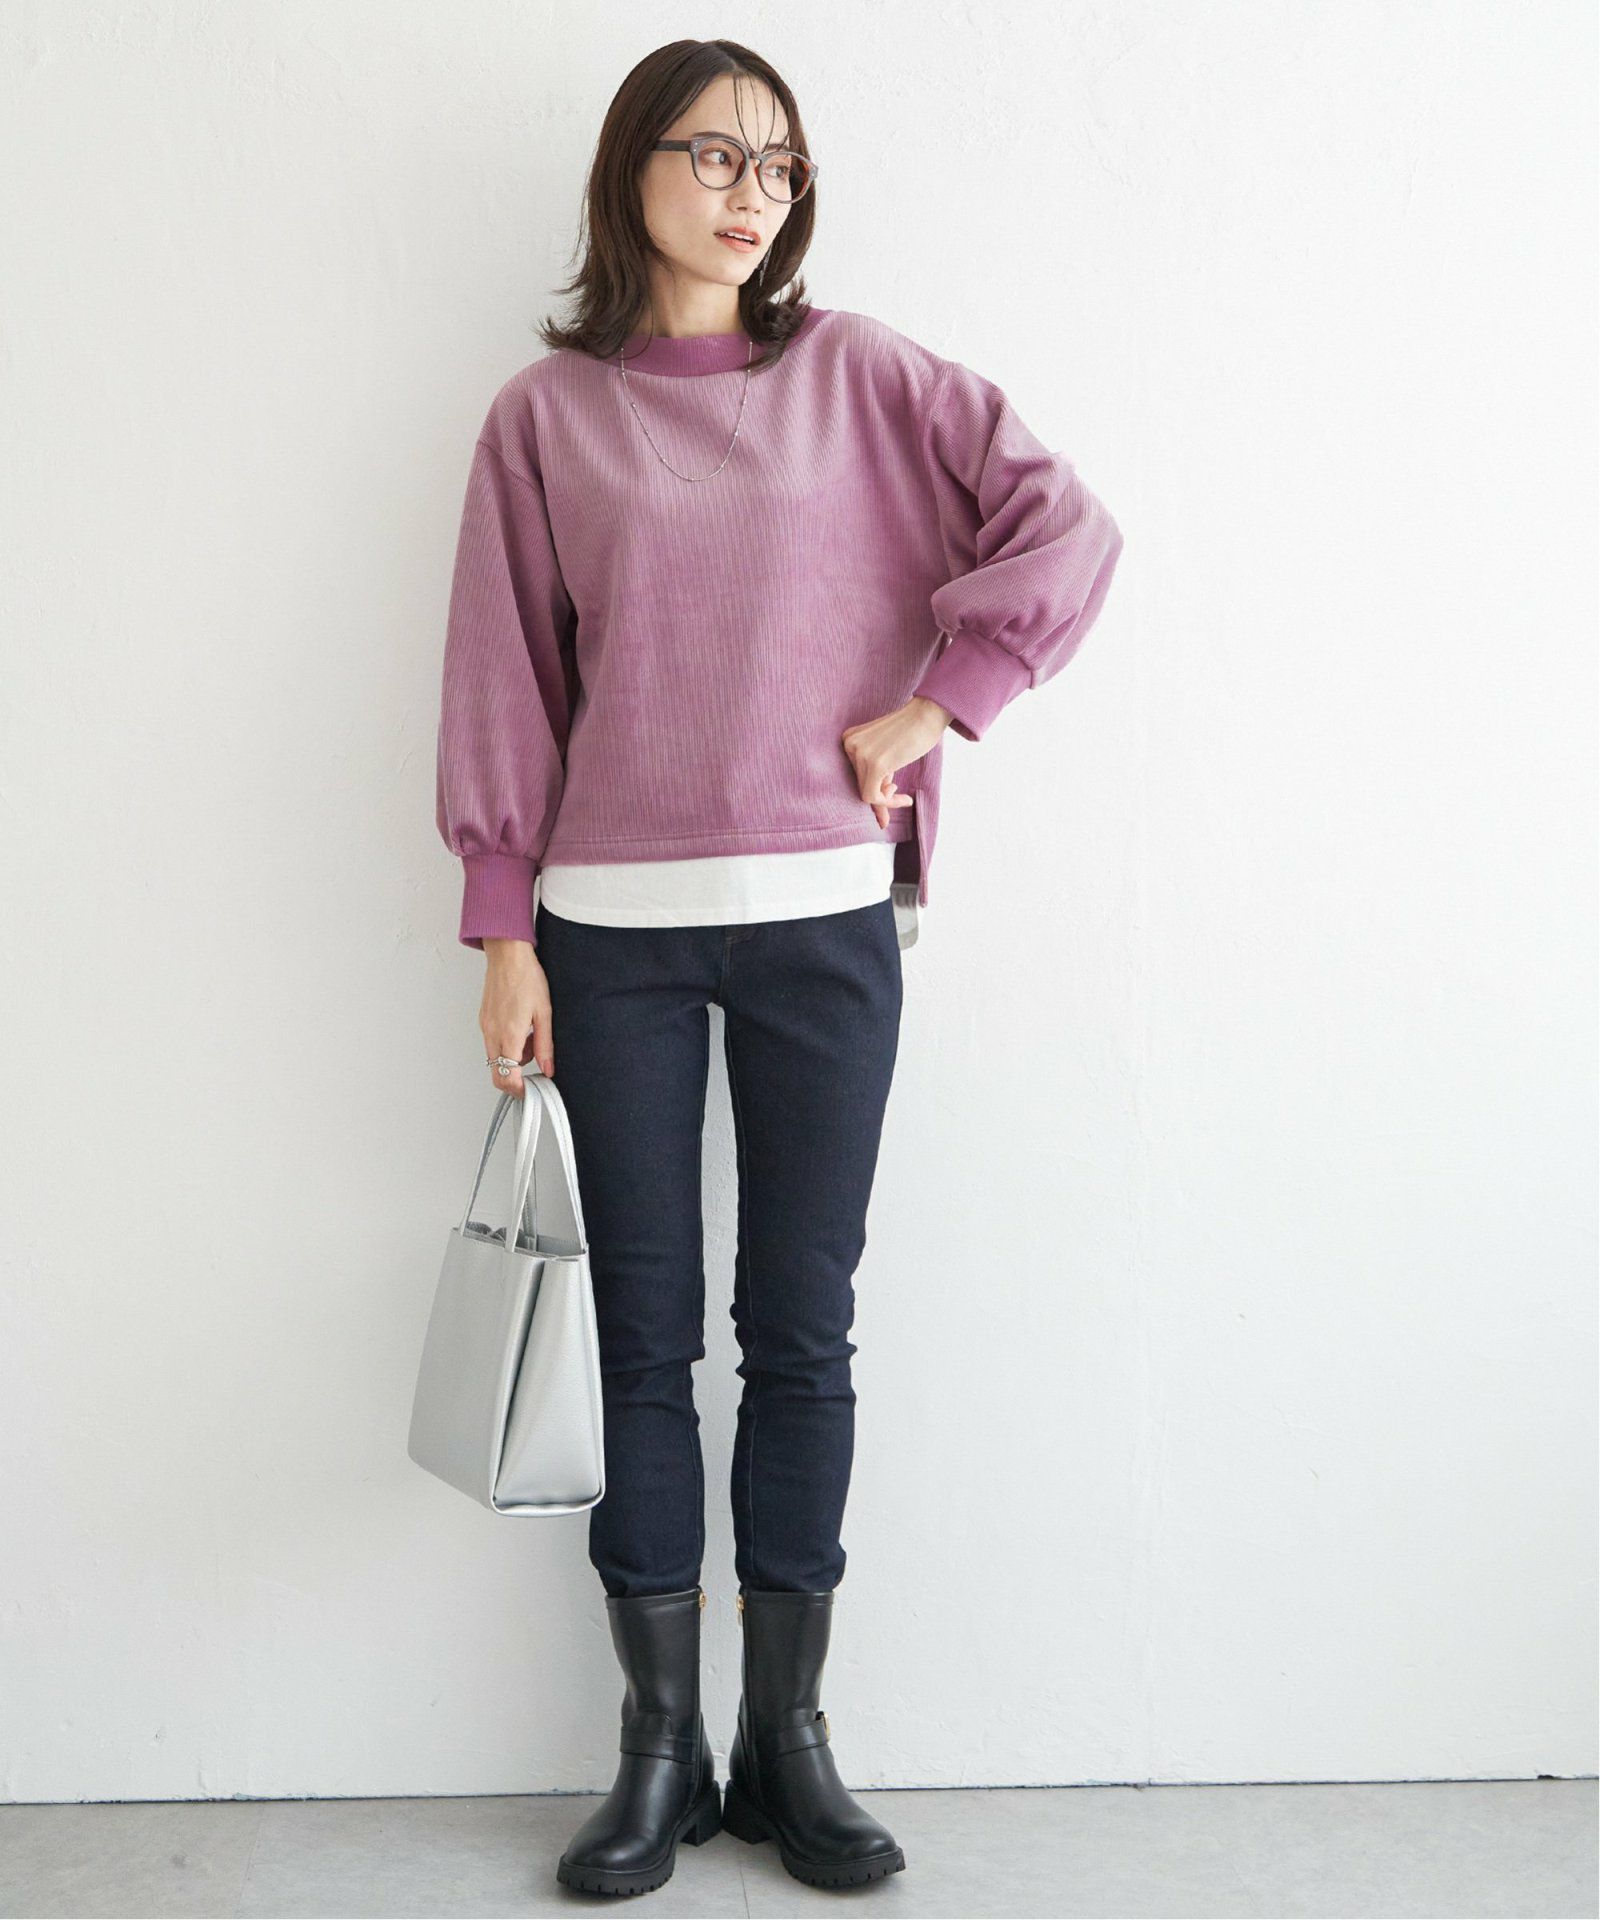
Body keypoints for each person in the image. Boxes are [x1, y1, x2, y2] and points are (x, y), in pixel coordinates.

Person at [434, 37, 1124, 1899]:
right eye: (717, 154)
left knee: (802, 1330)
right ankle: (658, 1752)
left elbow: (1068, 525)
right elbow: (503, 673)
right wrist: (503, 927)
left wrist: (943, 704)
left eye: (781, 164)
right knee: (644, 1340)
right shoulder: (545, 419)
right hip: (611, 935)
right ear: (632, 172)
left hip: (825, 918)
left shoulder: (864, 377)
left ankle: (788, 1742)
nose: (754, 191)